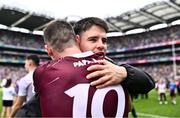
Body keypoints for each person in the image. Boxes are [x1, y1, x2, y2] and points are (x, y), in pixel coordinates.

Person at [16, 17, 155, 117]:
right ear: (77, 40)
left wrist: (125, 72)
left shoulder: (112, 68)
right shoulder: (57, 78)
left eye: (105, 40)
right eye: (93, 39)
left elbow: (148, 83)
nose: (102, 45)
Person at [34, 20, 130, 117]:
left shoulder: (44, 72)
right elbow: (129, 106)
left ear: (48, 50)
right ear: (77, 39)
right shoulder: (114, 68)